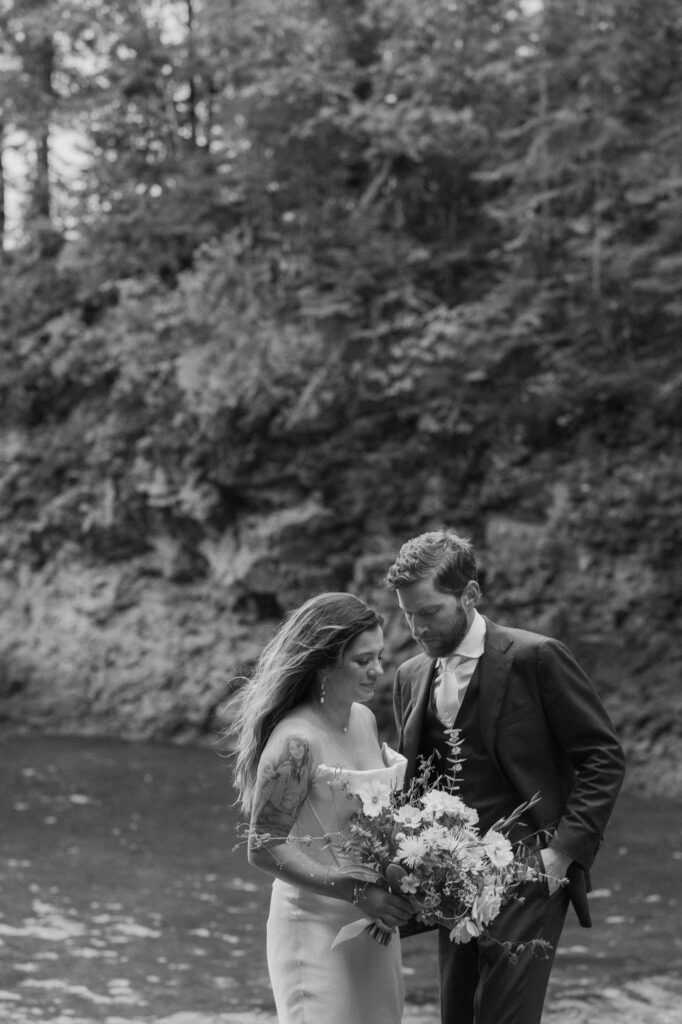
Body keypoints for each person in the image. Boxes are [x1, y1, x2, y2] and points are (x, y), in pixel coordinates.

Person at [385, 528, 626, 1024]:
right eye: (408, 615)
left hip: (530, 867)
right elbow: (416, 781)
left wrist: (559, 854)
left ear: (470, 595)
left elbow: (603, 755)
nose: (418, 628)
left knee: (506, 1016)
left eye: (430, 612)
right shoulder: (410, 675)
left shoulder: (536, 657)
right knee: (459, 1015)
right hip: (448, 876)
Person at [228, 592, 414, 1024]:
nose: (378, 670)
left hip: (374, 924)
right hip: (313, 926)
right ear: (324, 663)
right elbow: (264, 846)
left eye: (379, 657)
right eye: (362, 660)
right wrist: (353, 890)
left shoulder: (364, 719)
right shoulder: (295, 742)